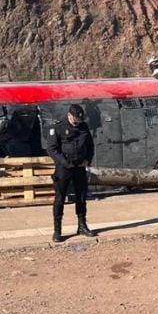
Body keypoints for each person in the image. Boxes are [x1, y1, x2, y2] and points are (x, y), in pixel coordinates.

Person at [46, 103, 96, 243]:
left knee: (81, 197)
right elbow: (52, 149)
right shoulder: (57, 127)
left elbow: (90, 145)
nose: (77, 122)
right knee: (60, 199)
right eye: (75, 119)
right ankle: (57, 230)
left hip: (79, 167)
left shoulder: (83, 127)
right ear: (69, 115)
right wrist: (66, 163)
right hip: (64, 168)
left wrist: (87, 159)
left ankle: (82, 226)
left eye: (79, 120)